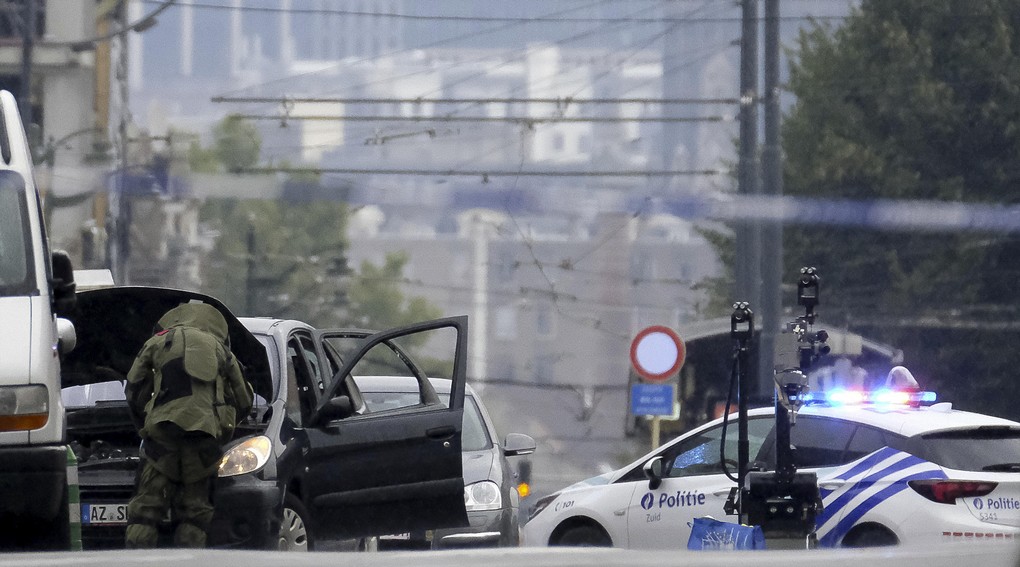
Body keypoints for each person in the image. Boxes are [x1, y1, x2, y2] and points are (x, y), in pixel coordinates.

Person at [123, 302, 254, 548]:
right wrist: (225, 425)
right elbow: (244, 400)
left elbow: (133, 389)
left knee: (145, 511)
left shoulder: (158, 342)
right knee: (196, 514)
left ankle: (137, 563)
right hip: (203, 440)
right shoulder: (222, 351)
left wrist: (145, 424)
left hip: (162, 437)